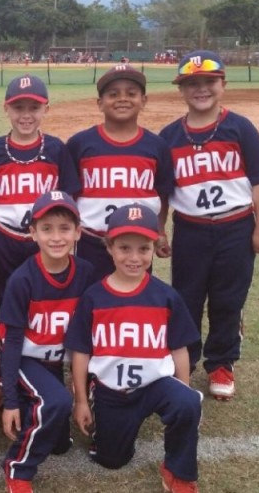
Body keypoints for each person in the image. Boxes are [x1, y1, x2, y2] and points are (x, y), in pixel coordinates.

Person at [158, 50, 259, 400]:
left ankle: (222, 361)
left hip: (235, 227)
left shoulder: (240, 128)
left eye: (209, 81)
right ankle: (187, 358)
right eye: (192, 83)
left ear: (222, 84)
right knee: (187, 296)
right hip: (190, 229)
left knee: (228, 297)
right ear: (181, 90)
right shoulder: (169, 136)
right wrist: (159, 229)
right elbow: (162, 192)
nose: (201, 89)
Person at [64, 204, 202, 493]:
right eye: (125, 248)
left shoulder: (166, 296)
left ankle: (178, 471)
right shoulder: (94, 297)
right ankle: (106, 421)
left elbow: (179, 349)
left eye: (144, 248)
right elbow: (81, 352)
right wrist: (80, 401)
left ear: (154, 248)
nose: (135, 257)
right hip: (113, 390)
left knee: (188, 402)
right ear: (109, 248)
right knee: (112, 460)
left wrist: (184, 393)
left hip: (156, 384)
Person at [0, 191, 94, 493]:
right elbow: (12, 343)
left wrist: (84, 393)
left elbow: (88, 335)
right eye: (47, 228)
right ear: (33, 233)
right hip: (26, 358)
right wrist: (9, 402)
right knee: (57, 401)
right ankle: (17, 468)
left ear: (78, 232)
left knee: (60, 444)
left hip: (57, 361)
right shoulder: (22, 280)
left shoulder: (86, 272)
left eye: (64, 228)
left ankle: (34, 406)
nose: (56, 237)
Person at [66, 64, 174, 281]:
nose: (122, 99)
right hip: (91, 241)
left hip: (137, 243)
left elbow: (162, 194)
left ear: (144, 101)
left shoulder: (157, 146)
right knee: (90, 296)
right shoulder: (80, 144)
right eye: (113, 94)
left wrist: (160, 231)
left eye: (131, 94)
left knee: (134, 295)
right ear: (100, 103)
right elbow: (69, 194)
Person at [0, 75, 81, 306]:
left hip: (47, 240)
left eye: (34, 108)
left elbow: (70, 202)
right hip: (7, 239)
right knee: (8, 298)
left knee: (47, 298)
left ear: (46, 109)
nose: (26, 115)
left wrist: (69, 241)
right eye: (18, 108)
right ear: (6, 108)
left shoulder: (56, 149)